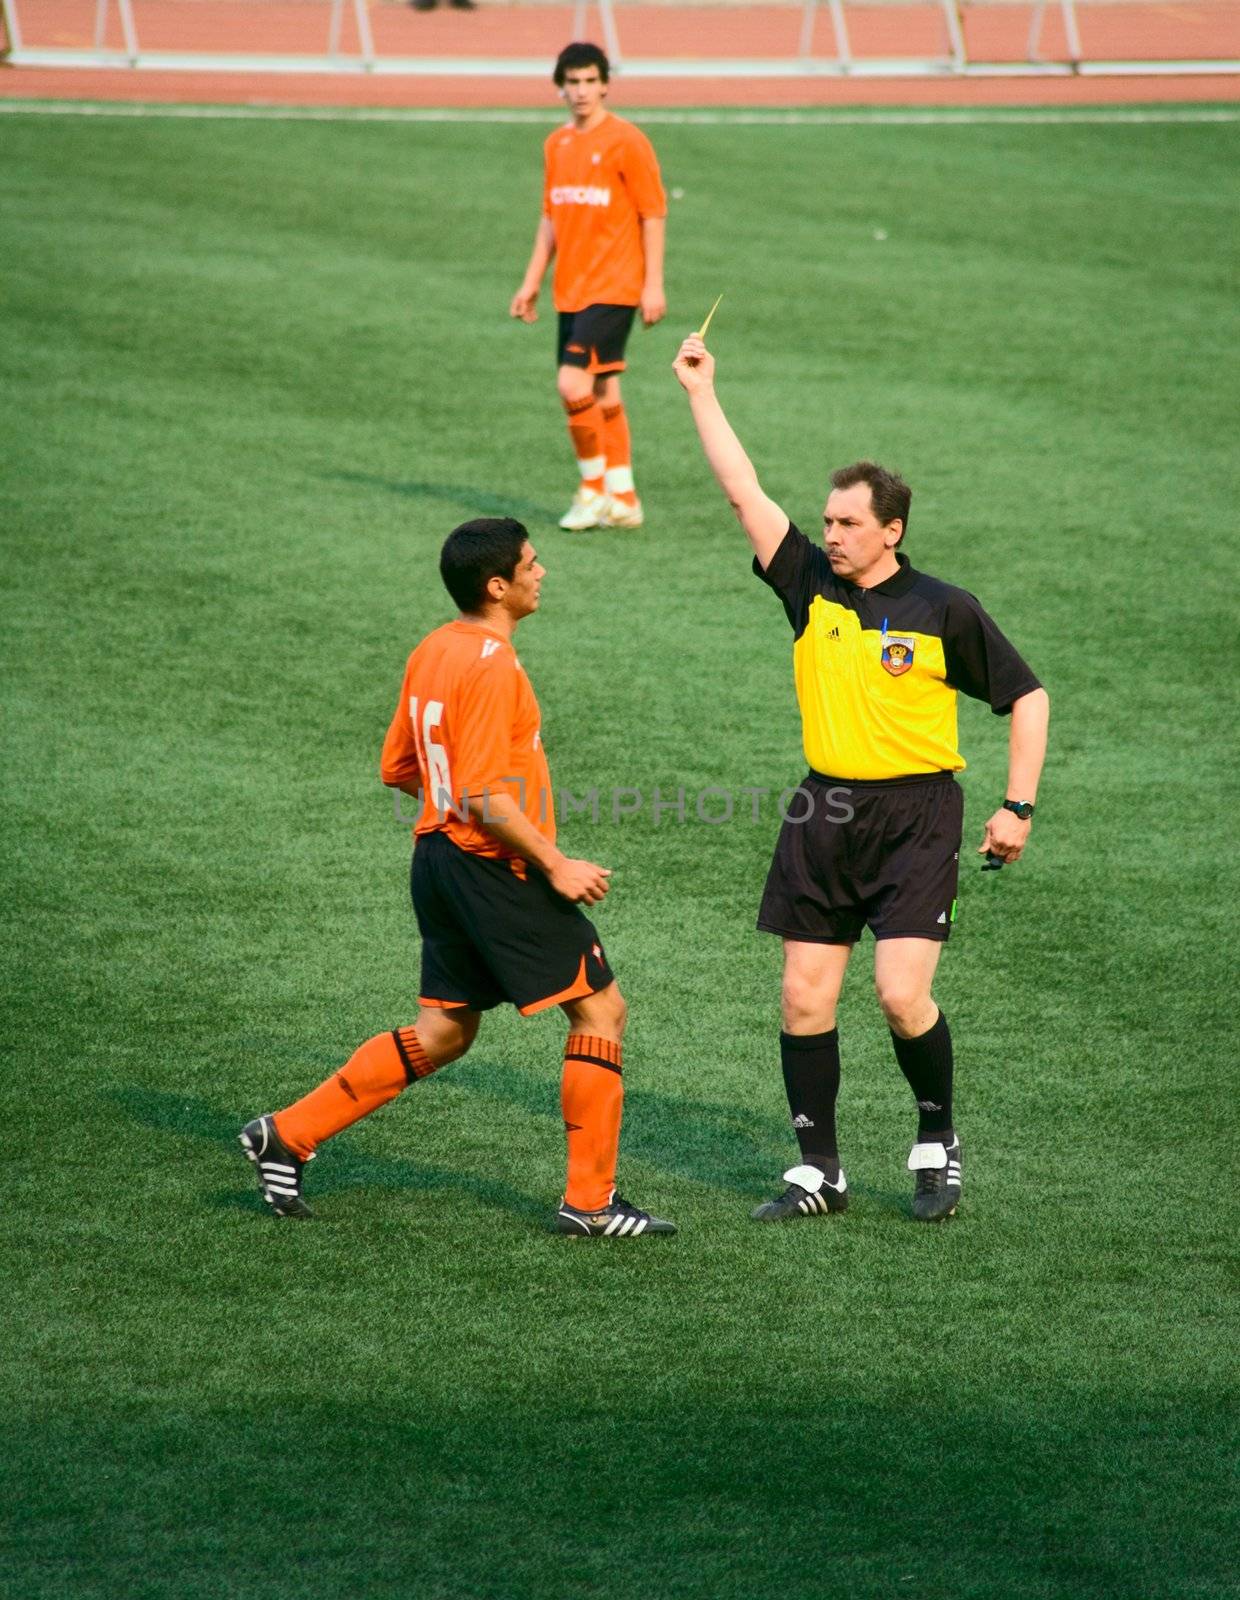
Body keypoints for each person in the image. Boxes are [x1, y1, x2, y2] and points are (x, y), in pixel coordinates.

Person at [672, 333, 1049, 1223]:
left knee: (899, 993)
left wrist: (1017, 806)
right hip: (825, 808)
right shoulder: (810, 586)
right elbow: (741, 491)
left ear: (892, 530)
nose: (830, 535)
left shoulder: (941, 608)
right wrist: (700, 391)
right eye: (828, 521)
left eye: (847, 524)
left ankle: (936, 1141)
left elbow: (1027, 698)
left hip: (919, 815)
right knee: (804, 996)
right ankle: (820, 1171)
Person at [240, 517, 675, 1239]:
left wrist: (462, 823)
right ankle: (591, 1204)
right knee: (601, 1011)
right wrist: (554, 861)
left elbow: (399, 768)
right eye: (532, 565)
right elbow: (479, 792)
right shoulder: (492, 664)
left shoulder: (434, 648)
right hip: (490, 864)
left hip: (437, 861)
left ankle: (287, 1134)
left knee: (443, 1031)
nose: (543, 573)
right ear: (497, 585)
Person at [509, 42, 667, 533]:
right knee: (602, 388)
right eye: (571, 82)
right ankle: (623, 498)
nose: (580, 91)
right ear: (561, 86)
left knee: (571, 383)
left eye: (588, 81)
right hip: (571, 290)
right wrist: (532, 280)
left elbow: (652, 213)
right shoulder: (556, 145)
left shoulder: (628, 141)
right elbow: (550, 218)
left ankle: (591, 491)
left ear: (605, 84)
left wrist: (653, 284)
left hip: (615, 286)